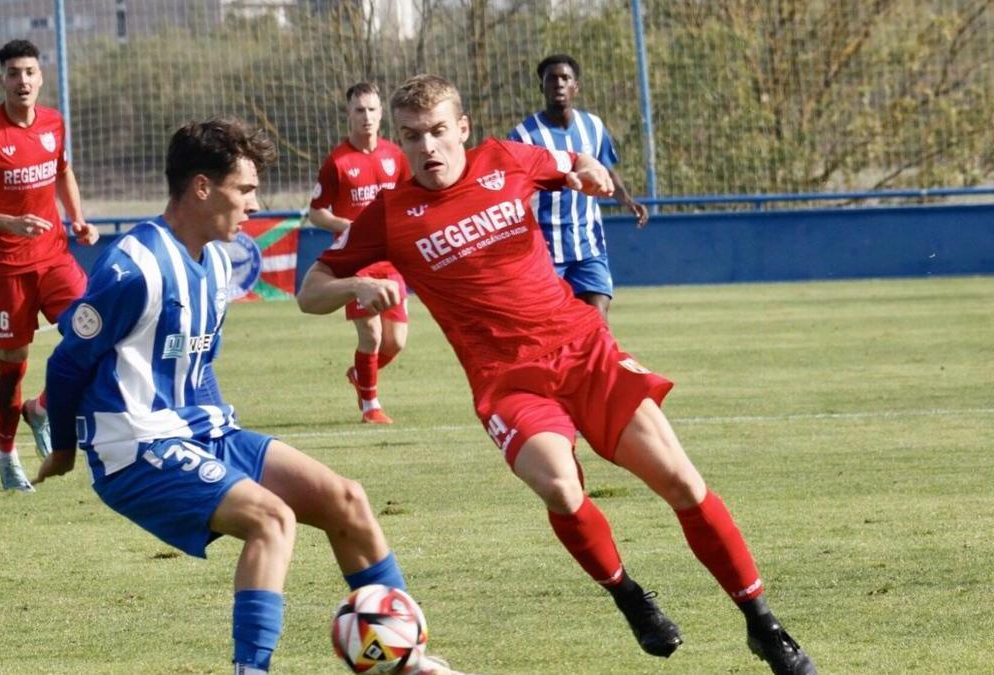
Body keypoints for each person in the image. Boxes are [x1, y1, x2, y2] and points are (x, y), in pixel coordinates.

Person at [298, 75, 815, 675]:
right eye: (413, 137)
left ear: (462, 129)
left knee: (682, 482)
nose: (428, 147)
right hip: (506, 381)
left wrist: (590, 171)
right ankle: (629, 596)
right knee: (562, 488)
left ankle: (762, 623)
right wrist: (357, 284)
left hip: (582, 349)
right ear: (401, 141)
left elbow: (572, 161)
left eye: (439, 131)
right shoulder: (390, 215)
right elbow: (310, 292)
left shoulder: (506, 159)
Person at [35, 118, 463, 675]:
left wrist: (223, 433)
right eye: (245, 190)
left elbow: (197, 363)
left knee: (348, 500)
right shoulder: (132, 267)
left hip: (205, 433)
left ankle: (406, 656)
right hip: (136, 448)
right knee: (272, 519)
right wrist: (66, 448)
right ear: (202, 188)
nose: (255, 205)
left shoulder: (216, 261)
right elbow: (67, 363)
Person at [0, 39, 99, 492]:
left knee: (95, 331)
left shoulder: (54, 124)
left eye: (30, 72)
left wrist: (77, 218)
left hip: (54, 256)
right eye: (14, 73)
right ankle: (7, 456)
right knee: (13, 364)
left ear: (40, 77)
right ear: (2, 81)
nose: (23, 81)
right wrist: (8, 223)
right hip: (6, 267)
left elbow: (62, 171)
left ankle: (43, 408)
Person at [508, 54, 649, 318]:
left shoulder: (593, 126)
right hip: (544, 249)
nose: (558, 84)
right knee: (551, 324)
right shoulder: (523, 136)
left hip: (589, 244)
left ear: (576, 86)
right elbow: (512, 190)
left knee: (597, 321)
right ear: (542, 87)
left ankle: (597, 359)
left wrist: (627, 200)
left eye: (565, 78)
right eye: (551, 79)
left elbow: (605, 168)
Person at [308, 82, 412, 425]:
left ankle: (360, 375)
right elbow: (316, 212)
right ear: (349, 114)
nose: (366, 116)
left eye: (371, 109)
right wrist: (347, 227)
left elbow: (410, 200)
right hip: (356, 263)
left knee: (395, 341)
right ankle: (371, 406)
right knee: (371, 334)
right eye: (359, 110)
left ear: (381, 113)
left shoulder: (395, 156)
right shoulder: (338, 162)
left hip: (389, 258)